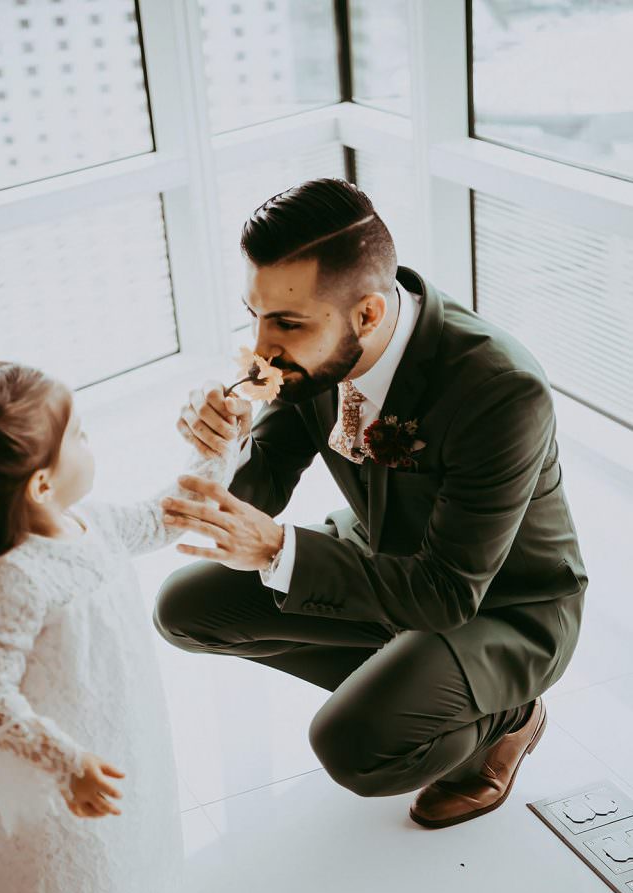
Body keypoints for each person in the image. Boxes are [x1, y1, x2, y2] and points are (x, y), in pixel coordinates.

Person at [154, 177, 589, 829]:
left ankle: (510, 717)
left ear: (368, 315)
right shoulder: (310, 351)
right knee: (184, 609)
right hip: (380, 554)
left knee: (354, 745)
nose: (260, 344)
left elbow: (445, 593)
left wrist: (278, 550)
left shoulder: (503, 391)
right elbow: (257, 487)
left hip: (499, 603)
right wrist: (225, 443)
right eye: (254, 314)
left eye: (285, 322)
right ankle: (405, 675)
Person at [0, 362, 241, 893]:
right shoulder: (12, 579)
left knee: (79, 892)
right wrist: (67, 763)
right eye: (79, 435)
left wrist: (217, 449)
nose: (92, 440)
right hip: (41, 777)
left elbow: (168, 513)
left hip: (97, 736)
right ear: (42, 483)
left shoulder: (91, 524)